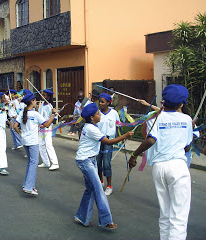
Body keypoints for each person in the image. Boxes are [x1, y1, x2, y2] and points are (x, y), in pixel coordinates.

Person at [129, 84, 193, 240]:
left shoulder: (155, 116)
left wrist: (134, 155)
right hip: (178, 167)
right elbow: (187, 146)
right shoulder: (187, 119)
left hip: (159, 168)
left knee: (165, 213)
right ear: (182, 104)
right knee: (179, 216)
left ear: (164, 101)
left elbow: (150, 140)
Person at [74, 103, 133, 229]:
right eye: (97, 114)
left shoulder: (91, 126)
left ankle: (82, 217)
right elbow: (108, 141)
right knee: (98, 189)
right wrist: (125, 136)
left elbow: (108, 136)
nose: (100, 115)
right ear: (92, 117)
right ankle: (106, 220)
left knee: (90, 189)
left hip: (89, 160)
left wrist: (121, 136)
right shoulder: (91, 128)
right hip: (85, 161)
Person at [13, 93, 57, 196]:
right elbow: (46, 124)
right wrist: (53, 114)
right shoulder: (35, 114)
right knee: (33, 163)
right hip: (33, 142)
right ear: (32, 101)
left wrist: (21, 134)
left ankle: (27, 185)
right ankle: (28, 187)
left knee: (30, 162)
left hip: (25, 141)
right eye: (35, 101)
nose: (37, 102)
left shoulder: (23, 113)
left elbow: (15, 126)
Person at [96, 93, 120, 196]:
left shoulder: (114, 113)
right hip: (98, 140)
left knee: (106, 163)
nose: (100, 103)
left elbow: (119, 125)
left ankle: (109, 186)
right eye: (99, 101)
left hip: (109, 140)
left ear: (108, 103)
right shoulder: (97, 113)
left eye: (103, 102)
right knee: (98, 162)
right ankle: (101, 181)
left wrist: (121, 137)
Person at [37, 89, 59, 170]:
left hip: (47, 127)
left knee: (48, 144)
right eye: (42, 95)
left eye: (45, 95)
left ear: (49, 97)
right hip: (41, 127)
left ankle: (55, 163)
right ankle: (46, 162)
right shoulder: (42, 104)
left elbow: (54, 118)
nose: (43, 96)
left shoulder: (51, 106)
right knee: (41, 144)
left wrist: (46, 123)